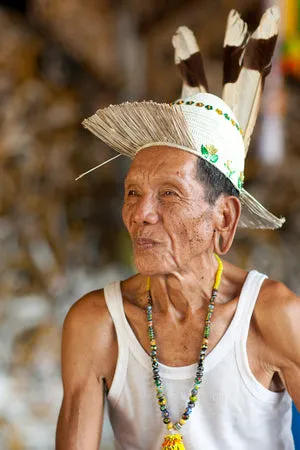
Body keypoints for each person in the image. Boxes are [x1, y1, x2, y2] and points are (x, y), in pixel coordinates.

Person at [55, 9, 300, 450]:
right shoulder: (96, 325)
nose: (141, 214)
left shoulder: (273, 317)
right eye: (132, 193)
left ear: (223, 219)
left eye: (168, 194)